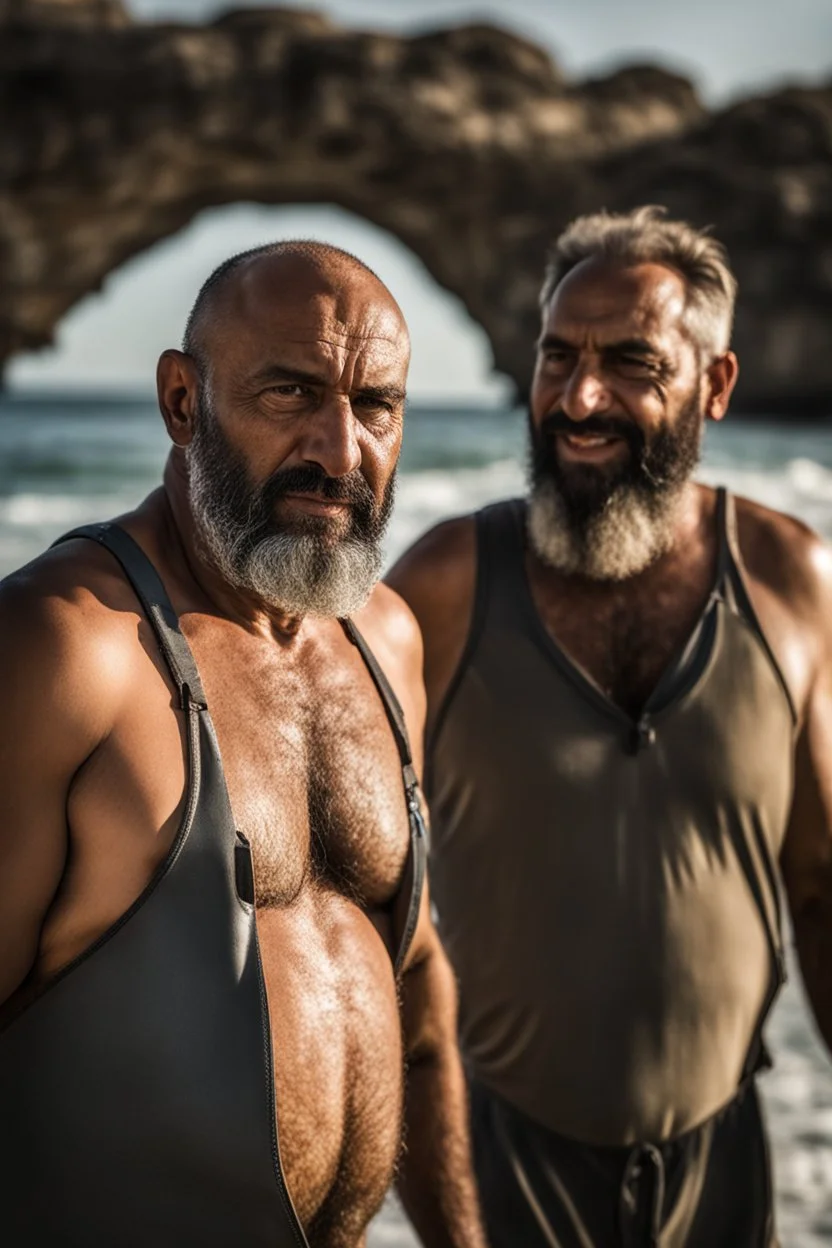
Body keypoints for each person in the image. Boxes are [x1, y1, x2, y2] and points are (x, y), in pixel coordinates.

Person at [0, 242, 486, 1248]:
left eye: (377, 405)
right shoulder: (67, 648)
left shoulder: (386, 641)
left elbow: (418, 986)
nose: (340, 450)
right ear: (183, 400)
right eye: (290, 392)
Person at [388, 206, 832, 1247]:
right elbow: (365, 912)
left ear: (715, 386)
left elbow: (820, 889)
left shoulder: (789, 583)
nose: (579, 398)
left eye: (630, 361)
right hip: (496, 1168)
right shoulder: (446, 588)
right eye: (556, 358)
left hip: (727, 1169)